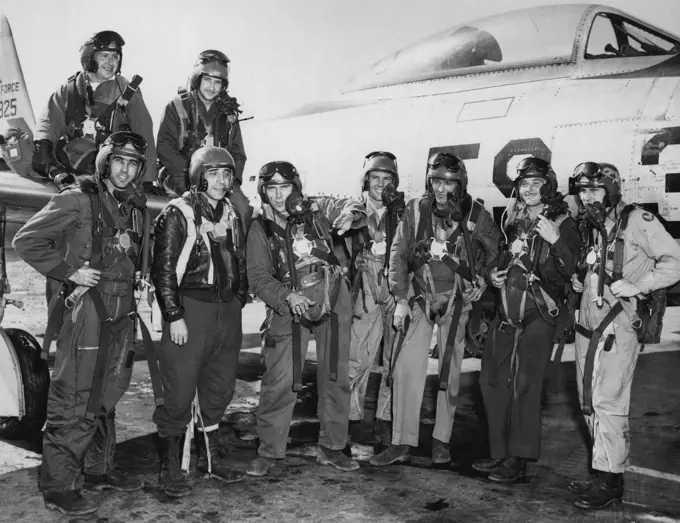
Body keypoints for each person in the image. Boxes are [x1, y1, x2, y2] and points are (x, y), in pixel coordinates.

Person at [13, 131, 150, 516]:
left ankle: (97, 468)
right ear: (106, 162)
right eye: (118, 161)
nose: (124, 170)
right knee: (75, 398)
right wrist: (71, 272)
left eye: (132, 163)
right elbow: (28, 241)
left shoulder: (135, 208)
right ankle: (59, 487)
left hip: (122, 312)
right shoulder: (77, 200)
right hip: (86, 311)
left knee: (107, 393)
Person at [370, 152, 500, 467]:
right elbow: (398, 253)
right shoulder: (417, 209)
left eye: (449, 183)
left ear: (461, 184)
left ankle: (442, 441)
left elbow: (495, 250)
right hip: (418, 298)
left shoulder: (475, 214)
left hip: (456, 302)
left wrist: (483, 277)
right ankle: (401, 441)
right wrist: (400, 299)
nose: (441, 189)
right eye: (436, 181)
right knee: (404, 369)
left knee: (449, 374)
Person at [568, 162, 680, 510]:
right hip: (588, 325)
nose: (587, 197)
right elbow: (596, 263)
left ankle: (611, 480)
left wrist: (639, 285)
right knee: (588, 401)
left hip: (618, 325)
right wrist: (580, 279)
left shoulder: (636, 221)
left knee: (608, 403)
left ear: (612, 190)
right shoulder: (591, 225)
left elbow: (674, 260)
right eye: (583, 190)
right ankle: (601, 472)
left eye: (595, 190)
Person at [245, 161, 365, 476]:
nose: (278, 195)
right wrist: (286, 297)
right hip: (290, 304)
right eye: (271, 189)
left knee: (336, 377)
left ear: (295, 187)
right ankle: (270, 451)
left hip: (332, 297)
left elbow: (350, 205)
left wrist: (351, 215)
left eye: (284, 187)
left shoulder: (316, 209)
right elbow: (257, 276)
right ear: (263, 192)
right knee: (279, 379)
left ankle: (332, 447)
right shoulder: (260, 227)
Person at [473, 157, 579, 482]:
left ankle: (518, 460)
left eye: (537, 182)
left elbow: (574, 272)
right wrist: (493, 276)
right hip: (507, 312)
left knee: (524, 387)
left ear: (548, 186)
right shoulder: (513, 220)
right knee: (491, 381)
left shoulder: (562, 223)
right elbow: (502, 259)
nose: (529, 189)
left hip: (539, 315)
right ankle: (500, 453)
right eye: (524, 183)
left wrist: (555, 241)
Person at [151, 146, 247, 497]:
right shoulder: (179, 213)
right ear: (198, 175)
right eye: (213, 173)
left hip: (226, 310)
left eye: (226, 174)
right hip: (191, 308)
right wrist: (173, 315)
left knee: (220, 388)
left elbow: (238, 259)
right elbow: (162, 268)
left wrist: (239, 298)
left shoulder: (232, 213)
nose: (221, 181)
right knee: (178, 391)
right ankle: (171, 468)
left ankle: (211, 460)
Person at [31, 30, 157, 190]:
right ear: (89, 57)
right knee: (22, 148)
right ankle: (59, 175)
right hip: (70, 161)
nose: (111, 62)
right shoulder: (69, 90)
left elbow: (144, 132)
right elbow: (49, 123)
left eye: (115, 57)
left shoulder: (126, 91)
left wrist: (147, 179)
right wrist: (43, 148)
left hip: (108, 165)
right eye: (104, 55)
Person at [347, 151, 403, 446]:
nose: (380, 185)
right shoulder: (354, 211)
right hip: (365, 289)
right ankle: (352, 418)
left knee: (395, 360)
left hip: (395, 288)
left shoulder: (404, 213)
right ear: (366, 181)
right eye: (375, 178)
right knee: (357, 357)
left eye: (386, 179)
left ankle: (385, 420)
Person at [156, 50, 249, 224]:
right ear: (197, 79)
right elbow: (164, 146)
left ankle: (236, 249)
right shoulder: (177, 106)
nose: (211, 87)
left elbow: (238, 153)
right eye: (207, 80)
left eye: (217, 83)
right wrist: (193, 174)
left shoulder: (228, 115)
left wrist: (231, 181)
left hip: (219, 175)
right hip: (181, 173)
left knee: (243, 208)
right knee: (198, 204)